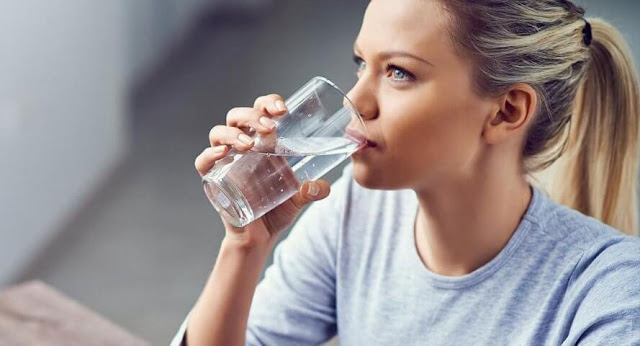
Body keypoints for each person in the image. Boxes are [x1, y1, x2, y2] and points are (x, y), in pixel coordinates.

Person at [173, 0, 640, 344]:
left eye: (399, 72)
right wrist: (244, 246)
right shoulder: (355, 217)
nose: (355, 102)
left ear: (507, 111)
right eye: (361, 65)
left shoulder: (611, 292)